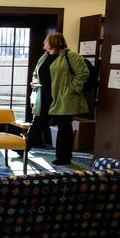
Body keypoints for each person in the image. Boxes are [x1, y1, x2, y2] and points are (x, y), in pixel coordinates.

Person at [27, 32, 89, 165]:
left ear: (54, 42)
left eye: (46, 40)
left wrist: (72, 89)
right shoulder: (44, 57)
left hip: (63, 97)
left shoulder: (70, 56)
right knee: (38, 122)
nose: (44, 43)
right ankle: (23, 148)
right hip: (44, 96)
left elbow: (83, 73)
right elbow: (36, 73)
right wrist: (35, 81)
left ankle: (64, 157)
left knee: (64, 127)